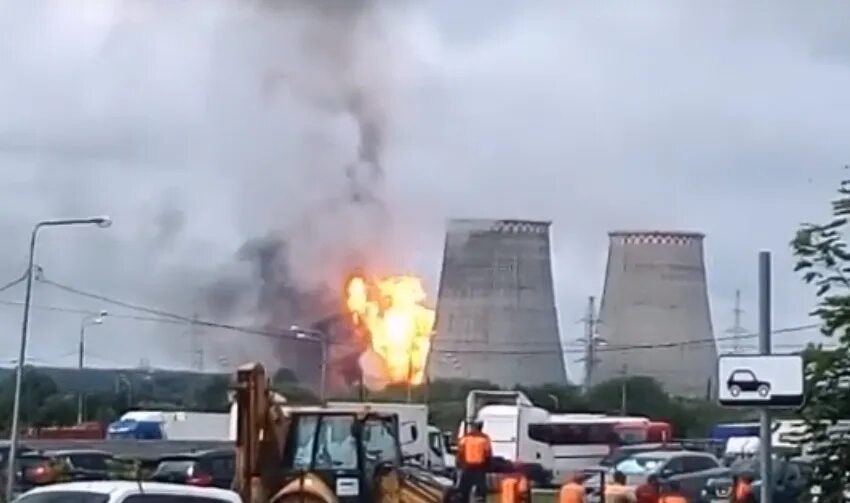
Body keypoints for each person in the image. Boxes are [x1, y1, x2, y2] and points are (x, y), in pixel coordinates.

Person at [457, 420, 492, 503]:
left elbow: (460, 452)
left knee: (463, 491)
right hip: (479, 467)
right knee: (480, 492)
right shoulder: (484, 438)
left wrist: (460, 464)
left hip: (467, 467)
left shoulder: (465, 438)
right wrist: (488, 466)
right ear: (481, 427)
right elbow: (488, 453)